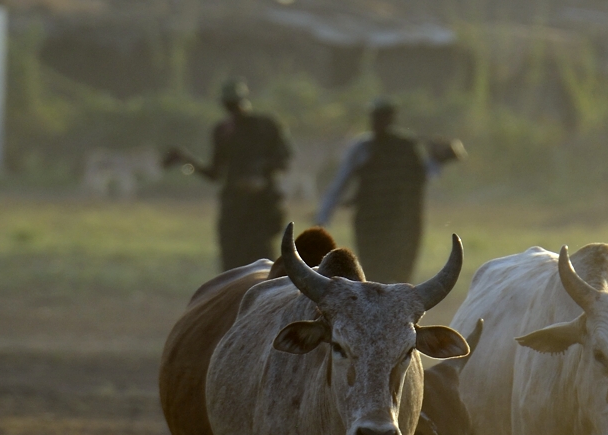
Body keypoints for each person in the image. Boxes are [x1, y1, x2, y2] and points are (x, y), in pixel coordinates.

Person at [315, 97, 463, 284]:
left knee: (400, 274)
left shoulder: (407, 147)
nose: (378, 122)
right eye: (376, 117)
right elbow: (340, 183)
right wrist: (323, 216)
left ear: (391, 119)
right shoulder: (363, 147)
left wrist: (439, 158)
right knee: (371, 273)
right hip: (371, 223)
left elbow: (423, 174)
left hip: (403, 223)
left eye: (383, 117)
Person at [164, 79, 293, 271]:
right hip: (235, 210)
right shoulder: (223, 131)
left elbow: (283, 159)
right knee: (233, 267)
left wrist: (259, 176)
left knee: (262, 266)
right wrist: (185, 158)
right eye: (229, 104)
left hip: (261, 207)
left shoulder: (266, 125)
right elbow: (215, 174)